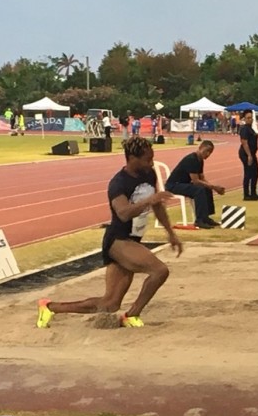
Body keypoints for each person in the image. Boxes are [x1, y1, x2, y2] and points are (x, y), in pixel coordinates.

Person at [36, 136, 183, 329]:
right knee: (159, 271)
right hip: (118, 241)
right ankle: (132, 315)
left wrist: (170, 233)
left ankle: (50, 307)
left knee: (110, 303)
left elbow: (157, 205)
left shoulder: (149, 174)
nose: (151, 163)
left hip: (133, 240)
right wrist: (149, 200)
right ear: (132, 158)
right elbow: (123, 213)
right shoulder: (118, 183)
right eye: (147, 159)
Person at [165, 140, 225, 229]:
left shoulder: (200, 161)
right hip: (174, 185)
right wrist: (214, 187)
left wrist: (212, 187)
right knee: (199, 190)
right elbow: (196, 181)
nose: (208, 154)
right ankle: (199, 220)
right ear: (200, 148)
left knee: (206, 188)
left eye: (210, 152)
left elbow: (202, 178)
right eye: (206, 151)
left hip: (183, 184)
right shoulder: (191, 159)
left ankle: (206, 218)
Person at [238, 109, 258, 201]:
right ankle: (247, 195)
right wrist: (249, 155)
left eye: (251, 118)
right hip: (246, 153)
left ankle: (253, 193)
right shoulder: (244, 129)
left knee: (255, 173)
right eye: (248, 118)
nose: (250, 119)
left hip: (251, 153)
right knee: (248, 173)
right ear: (244, 119)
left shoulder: (250, 128)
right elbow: (244, 143)